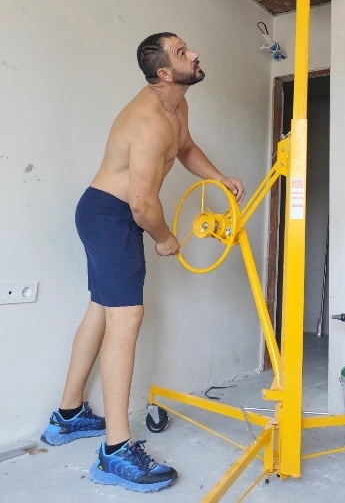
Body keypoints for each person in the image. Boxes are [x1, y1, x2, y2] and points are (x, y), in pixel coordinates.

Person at [41, 33, 245, 493]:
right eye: (182, 53)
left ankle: (68, 416)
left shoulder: (176, 105)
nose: (194, 53)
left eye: (188, 47)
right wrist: (166, 238)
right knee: (127, 317)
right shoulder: (149, 120)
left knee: (102, 311)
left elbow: (185, 146)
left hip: (107, 214)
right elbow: (141, 203)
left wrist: (218, 177)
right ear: (164, 74)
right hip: (112, 214)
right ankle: (115, 452)